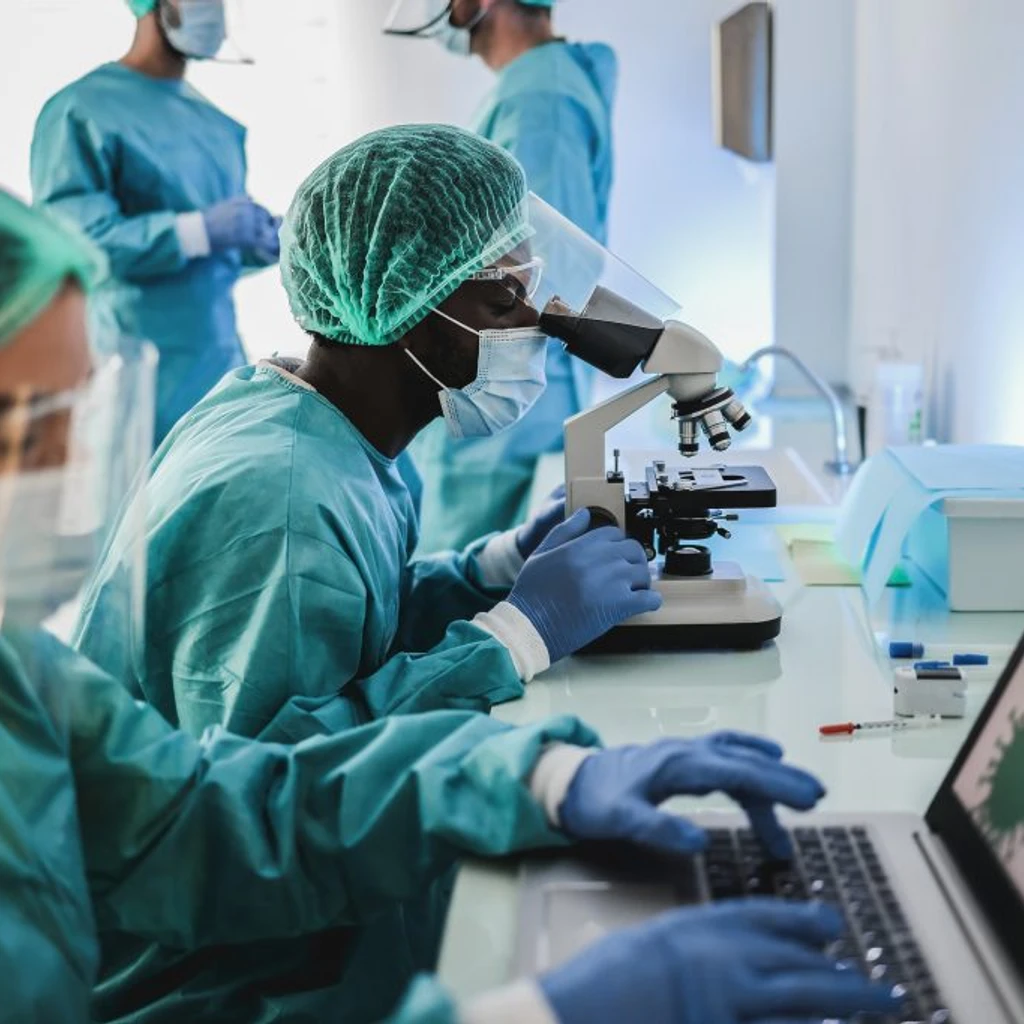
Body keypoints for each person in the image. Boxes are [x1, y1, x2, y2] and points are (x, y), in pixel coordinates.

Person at [0, 188, 900, 1023]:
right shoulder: (276, 497)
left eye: (72, 420)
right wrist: (535, 1013)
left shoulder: (20, 671)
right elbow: (271, 749)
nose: (62, 478)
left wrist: (541, 776)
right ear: (404, 301)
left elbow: (215, 808)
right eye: (28, 430)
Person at [75, 124, 662, 749]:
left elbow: (350, 618)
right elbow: (284, 773)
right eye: (503, 303)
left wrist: (499, 564)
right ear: (402, 307)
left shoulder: (316, 419)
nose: (536, 323)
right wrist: (517, 638)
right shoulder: (286, 501)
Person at [388, 0, 617, 552]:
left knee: (476, 601)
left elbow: (531, 275)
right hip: (503, 392)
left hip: (504, 401)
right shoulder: (535, 86)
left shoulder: (540, 99)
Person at [30, 0, 280, 445]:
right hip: (130, 371)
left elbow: (208, 259)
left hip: (217, 365)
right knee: (132, 506)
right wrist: (198, 230)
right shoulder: (81, 110)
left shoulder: (216, 124)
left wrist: (255, 244)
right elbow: (74, 247)